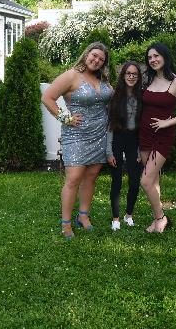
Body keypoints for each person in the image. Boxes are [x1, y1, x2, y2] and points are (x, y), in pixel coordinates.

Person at [41, 42, 113, 239]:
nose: (96, 60)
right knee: (74, 178)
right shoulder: (71, 75)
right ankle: (66, 223)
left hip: (99, 134)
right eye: (94, 55)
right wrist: (66, 118)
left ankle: (83, 215)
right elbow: (47, 97)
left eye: (101, 59)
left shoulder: (102, 79)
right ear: (87, 54)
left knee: (91, 176)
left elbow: (111, 99)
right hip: (76, 134)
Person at [139, 42, 176, 233]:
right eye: (149, 57)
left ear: (165, 56)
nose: (153, 60)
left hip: (162, 137)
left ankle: (161, 218)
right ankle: (157, 220)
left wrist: (168, 122)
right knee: (153, 180)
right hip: (144, 135)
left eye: (156, 56)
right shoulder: (148, 80)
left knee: (145, 181)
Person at [106, 61, 143, 231]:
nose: (131, 76)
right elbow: (110, 125)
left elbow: (143, 127)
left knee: (134, 182)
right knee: (117, 181)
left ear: (138, 77)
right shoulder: (115, 96)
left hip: (134, 141)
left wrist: (140, 149)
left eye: (135, 74)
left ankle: (128, 215)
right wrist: (109, 151)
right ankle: (115, 218)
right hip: (117, 139)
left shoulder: (142, 97)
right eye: (128, 73)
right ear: (123, 75)